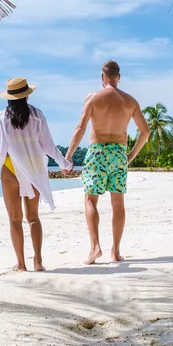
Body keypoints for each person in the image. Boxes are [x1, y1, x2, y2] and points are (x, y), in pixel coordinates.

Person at [64, 61, 150, 264]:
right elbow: (145, 132)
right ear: (118, 77)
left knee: (90, 200)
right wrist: (130, 156)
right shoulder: (130, 102)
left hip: (98, 152)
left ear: (102, 77)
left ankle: (95, 248)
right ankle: (116, 251)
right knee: (118, 204)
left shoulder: (93, 98)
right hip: (119, 153)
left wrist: (68, 156)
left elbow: (80, 128)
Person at [0, 77, 73, 272]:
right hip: (34, 168)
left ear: (9, 98)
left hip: (10, 169)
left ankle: (21, 264)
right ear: (26, 96)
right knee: (33, 217)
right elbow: (48, 145)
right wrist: (64, 163)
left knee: (14, 218)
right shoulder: (38, 115)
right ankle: (38, 261)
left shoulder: (3, 117)